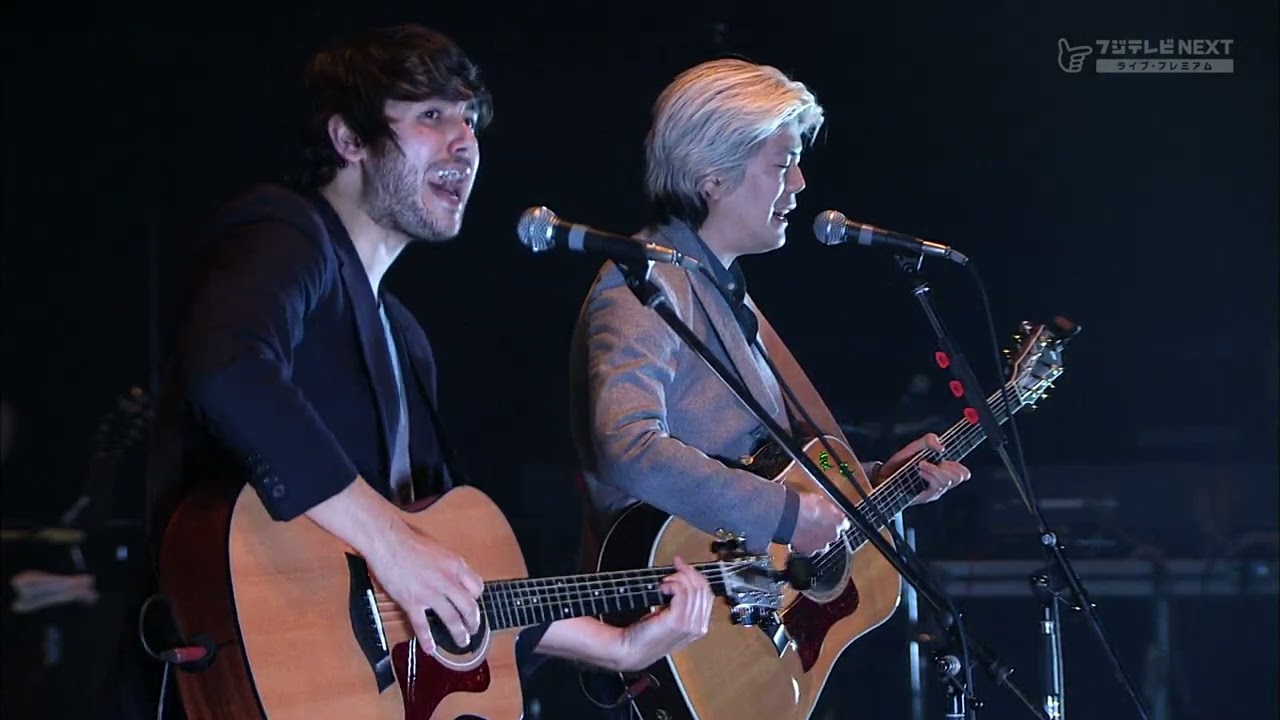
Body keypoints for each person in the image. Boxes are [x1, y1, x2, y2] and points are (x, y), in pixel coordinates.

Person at [145, 23, 713, 712]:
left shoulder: (405, 339)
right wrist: (391, 545)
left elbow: (448, 582)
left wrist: (617, 646)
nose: (465, 141)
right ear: (349, 140)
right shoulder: (286, 232)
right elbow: (230, 370)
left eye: (469, 120)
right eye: (431, 115)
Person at [570, 57, 973, 572]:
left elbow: (773, 464)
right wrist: (786, 513)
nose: (800, 183)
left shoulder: (718, 287)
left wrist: (868, 483)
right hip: (670, 609)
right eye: (783, 164)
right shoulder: (643, 286)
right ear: (712, 177)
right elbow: (628, 448)